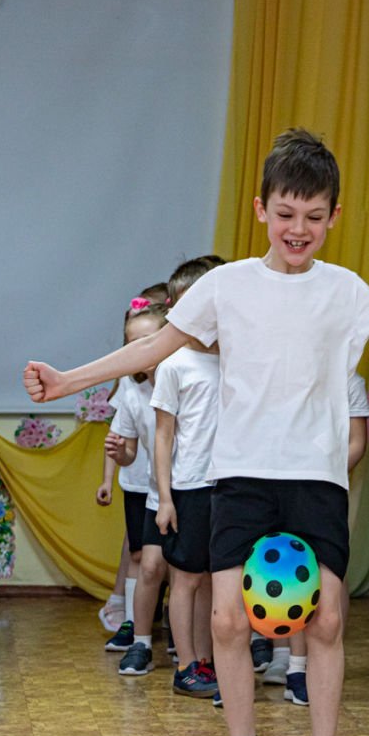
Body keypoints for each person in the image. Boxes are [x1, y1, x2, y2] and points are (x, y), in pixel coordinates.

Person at [26, 129, 369, 736]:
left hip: (316, 481)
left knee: (326, 620)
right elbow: (153, 348)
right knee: (226, 621)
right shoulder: (226, 285)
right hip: (239, 478)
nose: (298, 228)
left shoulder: (345, 290)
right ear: (260, 209)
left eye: (314, 216)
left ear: (334, 217)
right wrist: (66, 381)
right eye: (286, 213)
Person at [255, 370, 369, 704]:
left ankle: (313, 663)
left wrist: (326, 473)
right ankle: (290, 661)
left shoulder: (349, 380)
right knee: (290, 573)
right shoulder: (286, 373)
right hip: (281, 486)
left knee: (329, 578)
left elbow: (357, 442)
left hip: (325, 491)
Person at [148, 264, 223, 698]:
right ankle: (186, 664)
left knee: (215, 579)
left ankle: (210, 660)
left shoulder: (235, 359)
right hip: (190, 487)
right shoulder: (174, 365)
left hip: (228, 486)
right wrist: (165, 497)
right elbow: (163, 436)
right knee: (186, 580)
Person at [102, 304, 169, 672]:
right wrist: (120, 454)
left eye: (147, 341)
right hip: (154, 493)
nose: (138, 350)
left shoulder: (188, 381)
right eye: (131, 343)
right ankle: (140, 640)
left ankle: (190, 649)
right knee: (147, 564)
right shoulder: (132, 391)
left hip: (192, 492)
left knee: (190, 573)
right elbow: (128, 452)